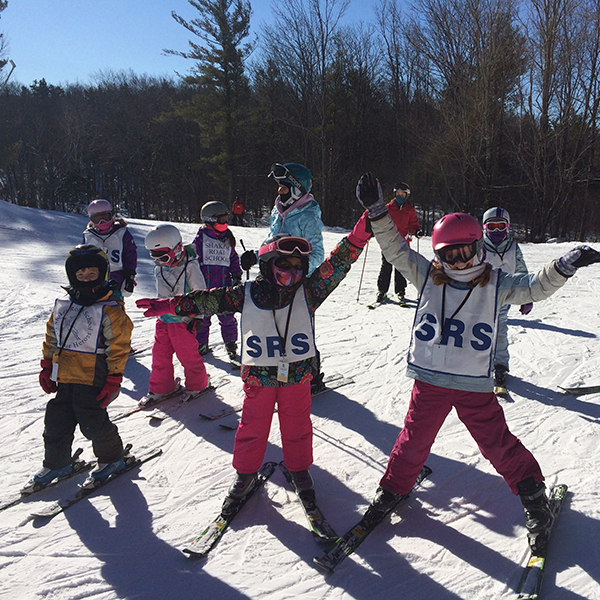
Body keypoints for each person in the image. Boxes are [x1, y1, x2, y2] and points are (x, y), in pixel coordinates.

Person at [355, 171, 600, 552]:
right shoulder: (429, 276)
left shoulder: (496, 282)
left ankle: (535, 499)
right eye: (447, 254)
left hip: (473, 385)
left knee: (498, 445)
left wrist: (564, 265)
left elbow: (534, 285)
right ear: (438, 255)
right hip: (431, 381)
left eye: (463, 251)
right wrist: (376, 212)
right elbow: (396, 251)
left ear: (478, 247)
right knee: (412, 443)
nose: (456, 260)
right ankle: (393, 489)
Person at [136, 216, 372, 515]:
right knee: (251, 430)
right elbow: (208, 301)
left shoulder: (309, 292)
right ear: (268, 263)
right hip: (259, 379)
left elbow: (337, 264)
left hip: (297, 378)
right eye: (284, 265)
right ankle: (245, 474)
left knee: (298, 429)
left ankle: (299, 470)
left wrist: (360, 233)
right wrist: (169, 305)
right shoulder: (246, 293)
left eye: (298, 266)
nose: (292, 272)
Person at [27, 245, 133, 489]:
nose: (85, 279)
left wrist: (114, 377)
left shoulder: (110, 308)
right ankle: (57, 462)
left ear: (103, 274)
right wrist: (46, 365)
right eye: (80, 275)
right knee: (56, 418)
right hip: (65, 373)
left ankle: (112, 458)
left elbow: (120, 345)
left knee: (92, 419)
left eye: (92, 274)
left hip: (93, 374)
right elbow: (52, 335)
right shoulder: (65, 304)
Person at [240, 163, 326, 392]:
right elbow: (270, 243)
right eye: (278, 188)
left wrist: (297, 273)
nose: (279, 192)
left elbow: (317, 254)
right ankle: (278, 370)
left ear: (297, 188)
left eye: (283, 187)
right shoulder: (277, 210)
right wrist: (257, 257)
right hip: (275, 279)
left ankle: (312, 375)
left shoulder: (308, 213)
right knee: (274, 325)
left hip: (298, 282)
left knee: (301, 328)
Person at [143, 224, 210, 402]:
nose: (159, 262)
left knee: (187, 354)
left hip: (185, 320)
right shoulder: (160, 268)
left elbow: (201, 294)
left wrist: (198, 317)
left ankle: (198, 384)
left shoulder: (190, 267)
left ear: (177, 249)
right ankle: (162, 387)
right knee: (160, 354)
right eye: (154, 257)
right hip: (164, 319)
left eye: (163, 257)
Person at [482, 207, 531, 389]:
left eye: (500, 227)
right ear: (484, 227)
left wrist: (526, 296)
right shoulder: (478, 246)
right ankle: (475, 364)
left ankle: (500, 365)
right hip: (481, 297)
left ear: (507, 227)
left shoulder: (513, 248)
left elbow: (521, 272)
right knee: (478, 331)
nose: (496, 231)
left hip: (504, 297)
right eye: (492, 227)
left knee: (500, 332)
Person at [193, 201, 243, 361]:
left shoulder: (227, 238)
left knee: (228, 318)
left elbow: (233, 258)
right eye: (221, 220)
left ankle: (230, 344)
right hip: (205, 288)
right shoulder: (201, 239)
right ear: (210, 220)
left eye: (226, 219)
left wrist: (236, 274)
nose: (225, 223)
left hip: (224, 287)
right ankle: (201, 344)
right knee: (203, 319)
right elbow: (193, 260)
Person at [375, 182, 422, 304]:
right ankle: (382, 291)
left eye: (402, 194)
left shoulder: (409, 210)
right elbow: (380, 221)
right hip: (388, 242)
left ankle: (400, 291)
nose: (400, 196)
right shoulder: (388, 208)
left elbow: (414, 223)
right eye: (398, 194)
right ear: (394, 194)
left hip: (402, 243)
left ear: (406, 196)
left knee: (401, 268)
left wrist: (417, 231)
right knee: (386, 266)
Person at [82, 199, 138, 300]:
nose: (102, 222)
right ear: (91, 219)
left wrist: (129, 275)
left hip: (116, 281)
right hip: (94, 281)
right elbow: (82, 257)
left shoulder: (121, 234)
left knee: (114, 311)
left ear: (112, 215)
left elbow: (130, 256)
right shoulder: (88, 236)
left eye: (105, 217)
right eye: (97, 218)